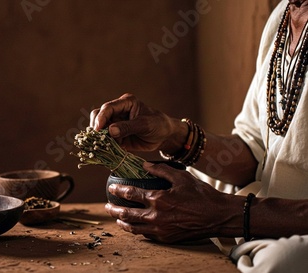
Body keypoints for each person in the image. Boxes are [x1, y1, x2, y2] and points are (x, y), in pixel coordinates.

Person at [89, 1, 308, 272]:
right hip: (263, 209)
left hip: (291, 227)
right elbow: (258, 155)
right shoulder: (284, 14)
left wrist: (226, 214)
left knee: (282, 262)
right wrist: (172, 134)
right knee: (189, 187)